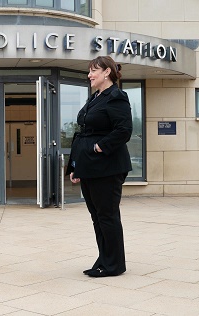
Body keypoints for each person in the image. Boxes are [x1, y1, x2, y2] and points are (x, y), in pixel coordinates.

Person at [66, 56, 132, 278]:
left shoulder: (116, 96)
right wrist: (76, 167)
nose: (89, 75)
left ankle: (114, 265)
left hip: (107, 167)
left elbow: (124, 130)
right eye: (89, 71)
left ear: (107, 72)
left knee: (107, 215)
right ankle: (104, 259)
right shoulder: (96, 98)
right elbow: (83, 133)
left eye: (93, 71)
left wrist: (99, 147)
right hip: (91, 167)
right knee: (97, 216)